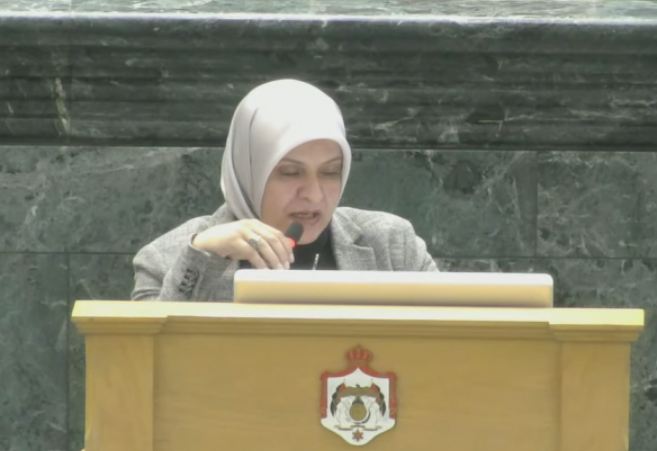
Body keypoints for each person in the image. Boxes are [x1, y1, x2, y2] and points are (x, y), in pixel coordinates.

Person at [131, 79, 438, 302]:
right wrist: (205, 255)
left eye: (330, 172)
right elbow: (148, 356)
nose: (314, 194)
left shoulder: (391, 245)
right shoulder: (166, 259)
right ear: (249, 171)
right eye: (290, 173)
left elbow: (450, 345)